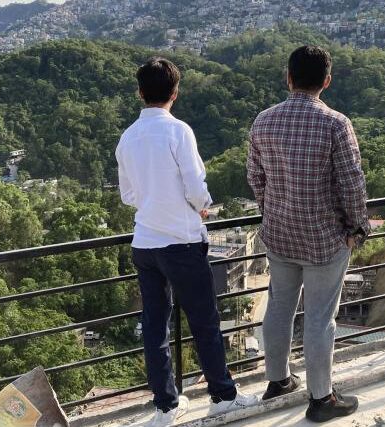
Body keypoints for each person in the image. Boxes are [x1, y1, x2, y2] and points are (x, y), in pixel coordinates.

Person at [116, 58, 258, 427]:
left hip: (144, 243)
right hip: (180, 240)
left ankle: (166, 405)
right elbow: (196, 188)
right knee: (204, 322)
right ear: (174, 93)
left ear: (139, 92)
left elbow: (128, 195)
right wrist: (202, 207)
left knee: (155, 327)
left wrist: (152, 199)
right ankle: (223, 396)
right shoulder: (178, 131)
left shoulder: (128, 137)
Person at [247, 45, 370, 422]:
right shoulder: (336, 123)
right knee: (319, 319)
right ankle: (321, 399)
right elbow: (351, 183)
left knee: (279, 308)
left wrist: (272, 210)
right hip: (323, 238)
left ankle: (279, 380)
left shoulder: (263, 121)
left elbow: (255, 177)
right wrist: (356, 227)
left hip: (280, 234)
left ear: (288, 77)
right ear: (327, 81)